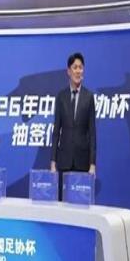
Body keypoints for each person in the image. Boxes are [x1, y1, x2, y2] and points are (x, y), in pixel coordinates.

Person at [51, 52, 96, 200]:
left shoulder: (89, 97)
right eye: (75, 67)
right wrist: (53, 162)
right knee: (63, 203)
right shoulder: (61, 97)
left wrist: (92, 164)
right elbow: (56, 131)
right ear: (68, 71)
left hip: (82, 162)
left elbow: (92, 133)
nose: (78, 71)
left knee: (80, 203)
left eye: (80, 67)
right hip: (64, 161)